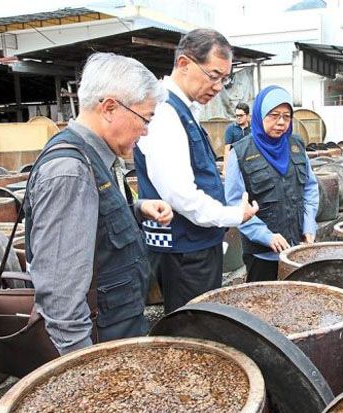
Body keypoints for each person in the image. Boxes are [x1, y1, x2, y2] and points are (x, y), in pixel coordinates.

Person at [24, 52, 173, 355]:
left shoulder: (97, 159)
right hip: (99, 347)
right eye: (145, 118)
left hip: (117, 329)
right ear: (109, 108)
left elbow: (94, 225)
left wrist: (137, 207)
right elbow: (61, 298)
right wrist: (84, 370)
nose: (146, 131)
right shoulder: (70, 172)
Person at [134, 28, 259, 313]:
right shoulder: (165, 113)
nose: (217, 87)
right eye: (213, 75)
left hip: (192, 245)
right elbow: (181, 195)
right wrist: (232, 215)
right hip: (184, 251)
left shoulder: (185, 109)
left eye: (224, 80)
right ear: (183, 64)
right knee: (193, 327)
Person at [225, 86, 319, 282]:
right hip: (262, 255)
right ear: (259, 115)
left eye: (286, 116)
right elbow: (235, 202)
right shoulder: (241, 152)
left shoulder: (296, 146)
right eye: (274, 115)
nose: (281, 122)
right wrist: (265, 236)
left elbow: (310, 188)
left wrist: (309, 227)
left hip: (296, 248)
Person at [222, 102, 250, 175]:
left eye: (241, 115)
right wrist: (225, 169)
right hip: (235, 162)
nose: (238, 118)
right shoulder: (230, 129)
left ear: (247, 115)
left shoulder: (253, 128)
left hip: (250, 161)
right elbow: (227, 149)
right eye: (237, 115)